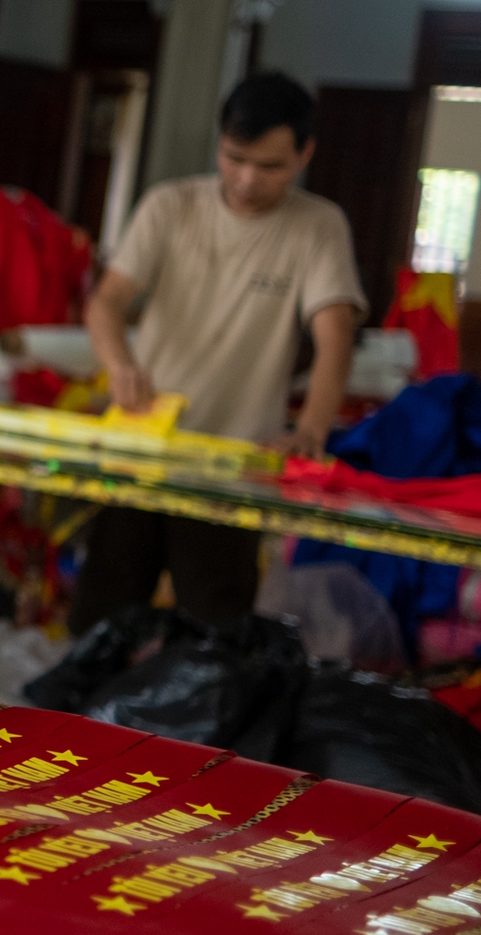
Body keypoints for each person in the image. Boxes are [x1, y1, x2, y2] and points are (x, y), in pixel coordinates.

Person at [74, 70, 365, 633]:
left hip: (233, 465)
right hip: (143, 450)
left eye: (270, 166)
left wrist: (313, 428)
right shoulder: (170, 206)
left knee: (217, 632)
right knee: (101, 619)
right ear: (220, 143)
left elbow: (336, 337)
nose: (247, 179)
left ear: (305, 154)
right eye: (235, 158)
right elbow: (105, 303)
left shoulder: (318, 226)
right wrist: (121, 366)